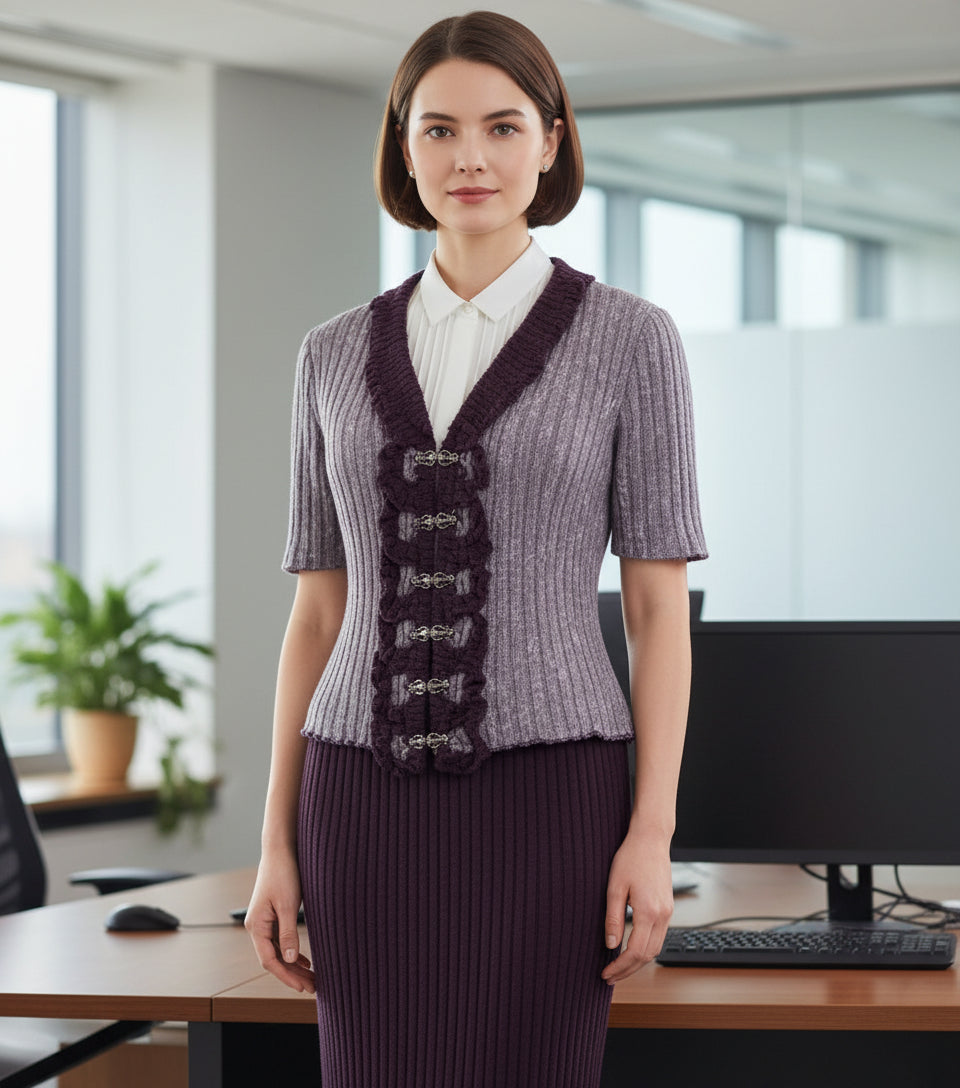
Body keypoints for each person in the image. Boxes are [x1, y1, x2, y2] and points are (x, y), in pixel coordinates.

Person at [246, 9, 707, 1087]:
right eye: (439, 129)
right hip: (358, 801)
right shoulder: (329, 355)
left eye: (502, 127)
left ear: (551, 142)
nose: (470, 159)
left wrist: (652, 831)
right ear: (403, 148)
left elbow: (656, 613)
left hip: (554, 803)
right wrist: (275, 841)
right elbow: (317, 616)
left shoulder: (632, 339)